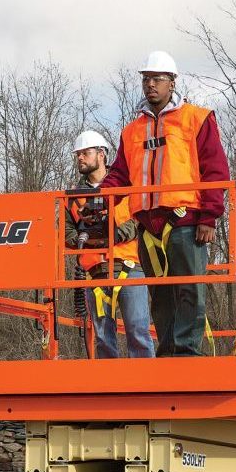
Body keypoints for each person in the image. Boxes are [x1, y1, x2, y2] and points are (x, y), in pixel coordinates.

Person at [98, 51, 230, 357]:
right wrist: (102, 195)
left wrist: (209, 217)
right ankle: (168, 353)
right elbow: (120, 173)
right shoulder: (132, 131)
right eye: (146, 80)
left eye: (157, 79)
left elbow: (215, 170)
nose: (150, 85)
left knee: (189, 290)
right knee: (160, 295)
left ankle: (185, 354)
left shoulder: (196, 119)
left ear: (172, 82)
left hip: (185, 221)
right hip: (147, 226)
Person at [65, 130, 154, 359]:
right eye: (78, 154)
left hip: (129, 266)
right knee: (103, 338)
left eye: (86, 153)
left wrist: (115, 234)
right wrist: (88, 240)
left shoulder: (126, 186)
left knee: (138, 331)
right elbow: (66, 231)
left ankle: (149, 389)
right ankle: (109, 390)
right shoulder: (73, 196)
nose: (80, 158)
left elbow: (140, 218)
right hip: (95, 272)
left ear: (102, 154)